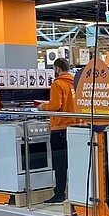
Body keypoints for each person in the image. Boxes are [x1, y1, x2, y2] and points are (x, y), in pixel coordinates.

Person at [37, 57, 78, 204]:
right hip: (76, 128)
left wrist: (43, 107)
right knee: (74, 163)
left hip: (60, 128)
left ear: (57, 69)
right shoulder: (76, 83)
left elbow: (55, 105)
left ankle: (59, 194)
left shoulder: (58, 83)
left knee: (60, 164)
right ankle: (76, 193)